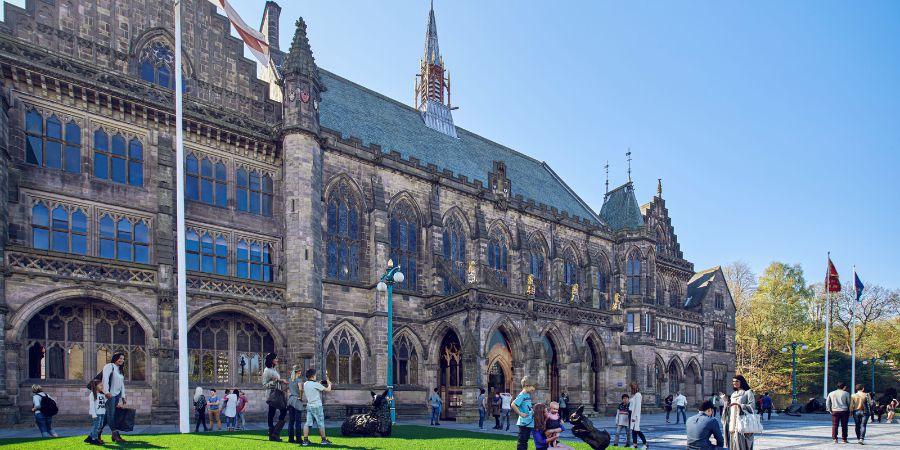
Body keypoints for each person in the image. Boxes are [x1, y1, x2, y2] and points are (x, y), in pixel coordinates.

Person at [301, 368, 333, 446]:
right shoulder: (316, 384)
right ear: (312, 376)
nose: (316, 376)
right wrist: (329, 384)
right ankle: (324, 440)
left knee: (307, 423)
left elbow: (313, 385)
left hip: (309, 406)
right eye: (315, 375)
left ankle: (305, 441)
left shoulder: (305, 384)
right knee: (321, 423)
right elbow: (328, 390)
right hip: (317, 406)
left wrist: (318, 383)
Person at [722, 374, 755, 450]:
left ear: (742, 382)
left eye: (737, 381)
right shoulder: (733, 394)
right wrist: (726, 403)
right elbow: (730, 409)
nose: (734, 383)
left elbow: (752, 407)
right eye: (733, 381)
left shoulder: (748, 392)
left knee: (742, 445)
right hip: (732, 424)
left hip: (742, 423)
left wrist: (740, 405)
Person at [100, 352, 128, 443]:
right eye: (120, 358)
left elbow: (122, 384)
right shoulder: (109, 366)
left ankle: (97, 433)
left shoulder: (120, 369)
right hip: (110, 395)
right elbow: (105, 378)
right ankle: (115, 434)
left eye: (123, 359)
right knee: (111, 415)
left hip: (117, 395)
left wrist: (123, 396)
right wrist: (106, 392)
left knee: (107, 416)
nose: (122, 360)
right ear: (115, 358)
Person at [262, 353, 289, 441]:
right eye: (275, 359)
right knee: (273, 413)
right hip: (272, 395)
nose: (277, 360)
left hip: (278, 393)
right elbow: (264, 385)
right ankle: (274, 433)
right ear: (271, 360)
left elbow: (276, 380)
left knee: (281, 411)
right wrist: (276, 381)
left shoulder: (274, 369)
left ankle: (273, 433)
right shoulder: (267, 370)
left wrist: (280, 381)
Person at [511, 377, 536, 450]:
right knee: (522, 440)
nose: (534, 389)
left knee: (525, 440)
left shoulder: (527, 395)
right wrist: (520, 413)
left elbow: (527, 406)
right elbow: (513, 404)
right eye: (533, 387)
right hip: (524, 422)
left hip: (528, 422)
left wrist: (532, 410)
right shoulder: (522, 395)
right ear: (527, 385)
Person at [86, 379, 107, 445]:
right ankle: (94, 439)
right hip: (97, 413)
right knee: (96, 426)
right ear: (95, 386)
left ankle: (90, 437)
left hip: (102, 413)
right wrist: (94, 414)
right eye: (100, 385)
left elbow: (104, 403)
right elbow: (92, 405)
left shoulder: (102, 395)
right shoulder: (92, 394)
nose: (102, 387)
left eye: (102, 385)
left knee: (100, 426)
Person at [287, 365, 305, 443]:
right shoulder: (299, 380)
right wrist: (301, 398)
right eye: (299, 371)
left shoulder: (290, 380)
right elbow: (301, 389)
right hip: (297, 401)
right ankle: (298, 439)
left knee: (291, 421)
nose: (300, 372)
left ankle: (290, 439)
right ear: (297, 372)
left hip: (290, 400)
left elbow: (289, 390)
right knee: (298, 421)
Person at [628, 382, 647, 449]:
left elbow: (637, 407)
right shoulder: (634, 395)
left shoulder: (638, 395)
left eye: (633, 387)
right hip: (631, 413)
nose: (632, 389)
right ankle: (635, 444)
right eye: (631, 388)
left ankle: (645, 443)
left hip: (635, 415)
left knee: (637, 430)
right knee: (634, 430)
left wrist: (634, 416)